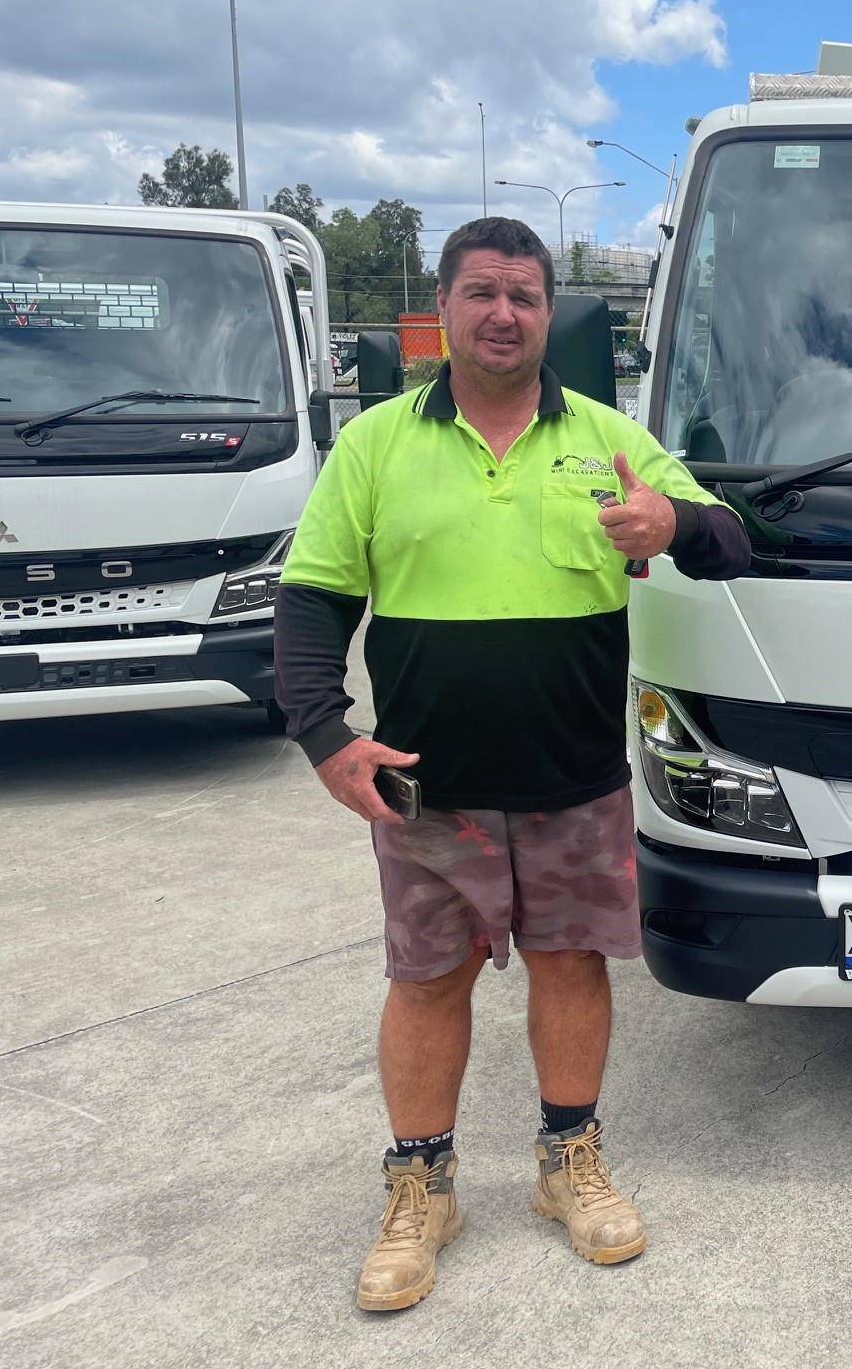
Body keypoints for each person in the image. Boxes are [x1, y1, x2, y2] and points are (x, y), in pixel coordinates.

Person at [274, 216, 750, 1311]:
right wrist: (324, 736)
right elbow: (311, 601)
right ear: (442, 308)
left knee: (572, 967)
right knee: (427, 979)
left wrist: (666, 517)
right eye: (482, 293)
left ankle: (566, 1161)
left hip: (575, 776)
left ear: (550, 314)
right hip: (425, 784)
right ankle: (422, 1184)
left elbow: (734, 540)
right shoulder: (378, 445)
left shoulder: (608, 438)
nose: (503, 314)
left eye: (525, 296)